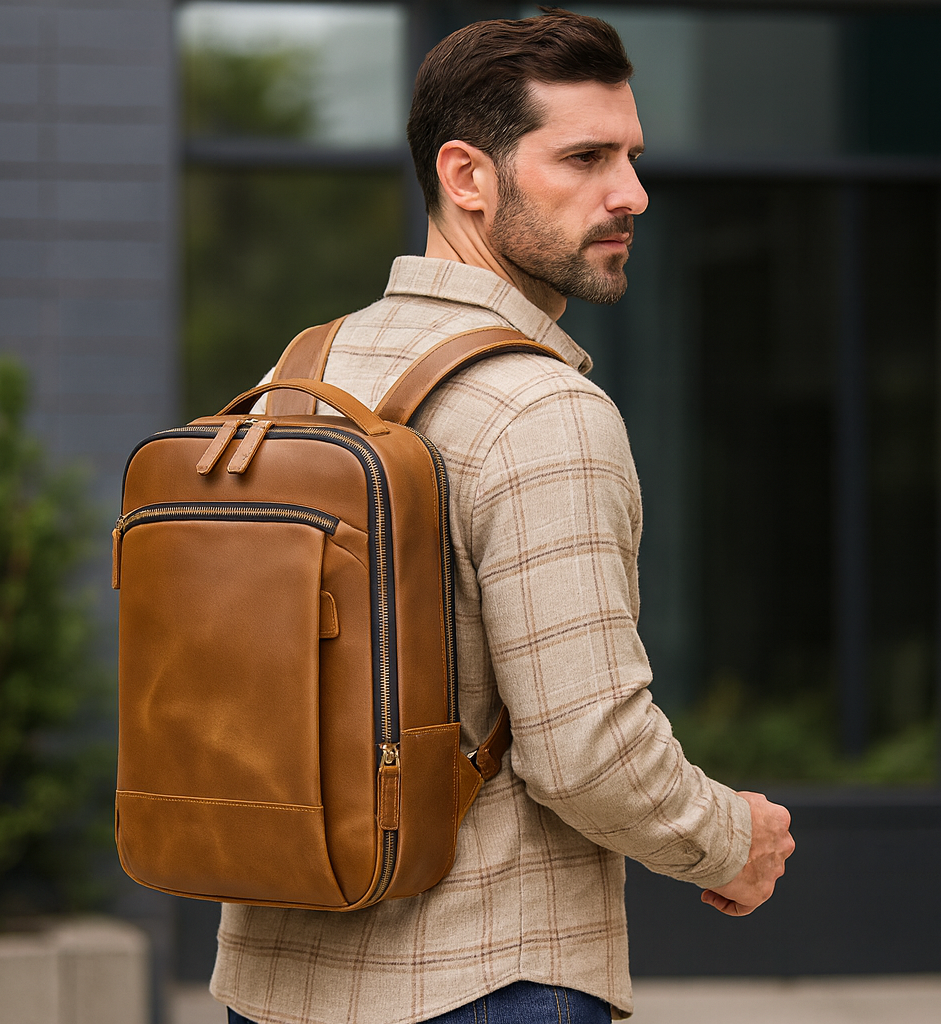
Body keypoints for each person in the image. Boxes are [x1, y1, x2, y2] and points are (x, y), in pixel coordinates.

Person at [211, 9, 795, 1023]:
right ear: (466, 177)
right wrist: (731, 840)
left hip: (270, 980)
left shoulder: (295, 376)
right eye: (586, 157)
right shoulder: (543, 410)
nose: (631, 193)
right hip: (486, 980)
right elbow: (590, 755)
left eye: (632, 157)